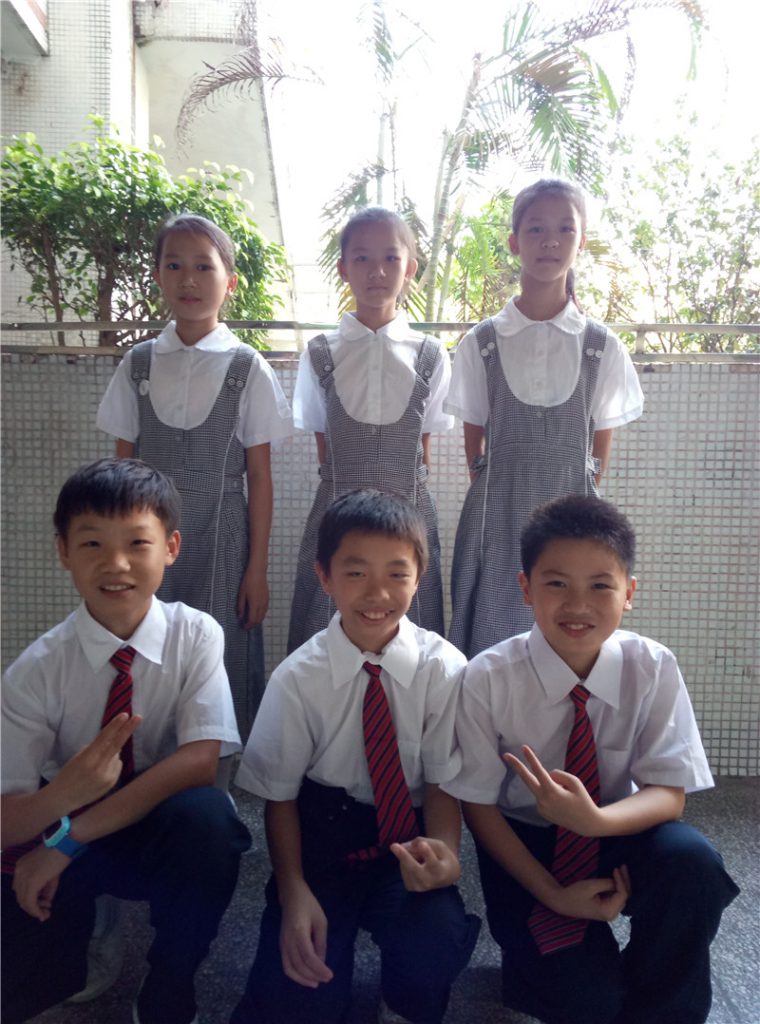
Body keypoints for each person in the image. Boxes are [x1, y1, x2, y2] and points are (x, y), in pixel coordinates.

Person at [443, 494, 739, 1024]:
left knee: (692, 863)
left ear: (629, 593)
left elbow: (668, 793)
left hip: (616, 829)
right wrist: (554, 895)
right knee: (586, 1001)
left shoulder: (652, 666)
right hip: (527, 847)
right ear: (526, 588)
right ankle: (541, 969)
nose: (578, 605)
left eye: (600, 585)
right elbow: (479, 807)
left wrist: (594, 821)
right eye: (557, 584)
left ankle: (661, 1007)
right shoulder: (487, 677)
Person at [1, 458, 251, 1024]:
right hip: (66, 811)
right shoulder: (35, 671)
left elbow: (199, 762)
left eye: (137, 543)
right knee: (21, 974)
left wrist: (65, 842)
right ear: (64, 552)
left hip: (158, 817)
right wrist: (63, 796)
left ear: (171, 547)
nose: (116, 564)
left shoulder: (195, 635)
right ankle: (89, 928)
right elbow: (5, 821)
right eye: (92, 543)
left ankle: (170, 978)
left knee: (212, 825)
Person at [231, 490, 480, 1024]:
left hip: (408, 834)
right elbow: (280, 800)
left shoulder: (444, 670)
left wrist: (444, 854)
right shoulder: (297, 678)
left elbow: (441, 785)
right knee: (298, 993)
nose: (378, 593)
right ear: (324, 577)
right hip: (323, 838)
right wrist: (293, 890)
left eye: (397, 573)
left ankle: (403, 996)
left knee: (433, 938)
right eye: (356, 572)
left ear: (419, 578)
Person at [97, 213, 292, 737]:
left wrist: (256, 569)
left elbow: (260, 478)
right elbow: (121, 473)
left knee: (222, 649)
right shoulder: (138, 364)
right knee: (145, 644)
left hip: (223, 536)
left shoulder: (247, 367)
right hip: (145, 537)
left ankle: (218, 763)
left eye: (204, 267)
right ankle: (142, 749)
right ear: (157, 277)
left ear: (229, 283)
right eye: (174, 265)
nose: (188, 279)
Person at [446, 178, 644, 658]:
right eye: (535, 229)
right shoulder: (482, 342)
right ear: (514, 242)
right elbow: (475, 448)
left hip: (574, 522)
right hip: (494, 521)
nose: (550, 241)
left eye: (564, 229)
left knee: (569, 636)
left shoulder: (601, 346)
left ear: (581, 241)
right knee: (491, 646)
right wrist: (499, 485)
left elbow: (598, 454)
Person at [288, 207, 453, 652]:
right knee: (325, 635)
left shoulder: (431, 354)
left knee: (415, 642)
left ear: (410, 268)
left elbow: (422, 449)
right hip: (336, 516)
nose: (377, 271)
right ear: (343, 268)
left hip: (411, 519)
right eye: (361, 258)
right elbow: (326, 450)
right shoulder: (320, 352)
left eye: (390, 258)